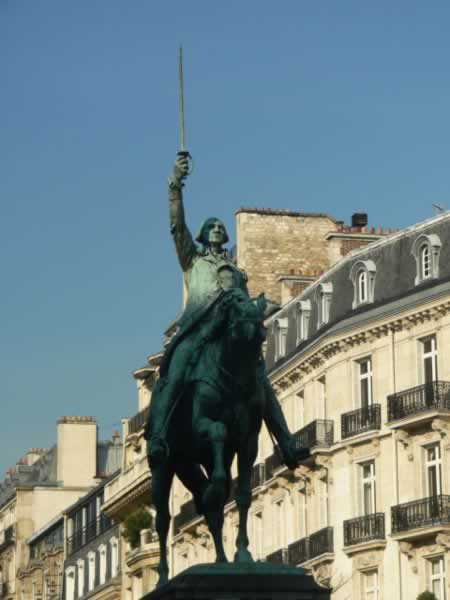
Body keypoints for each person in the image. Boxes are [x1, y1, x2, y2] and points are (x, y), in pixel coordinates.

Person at [145, 153, 303, 469]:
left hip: (229, 336)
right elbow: (177, 227)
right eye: (211, 226)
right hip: (197, 333)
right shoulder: (193, 261)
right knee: (176, 373)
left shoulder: (237, 273)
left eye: (220, 226)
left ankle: (286, 441)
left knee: (259, 381)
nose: (217, 228)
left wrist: (261, 309)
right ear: (203, 235)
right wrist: (175, 185)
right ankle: (159, 435)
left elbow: (244, 305)